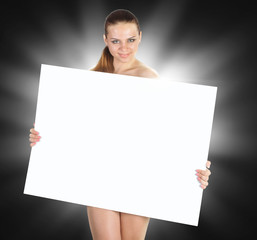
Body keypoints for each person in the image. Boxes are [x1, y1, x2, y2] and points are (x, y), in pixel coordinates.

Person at [29, 9, 211, 240]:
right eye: (116, 41)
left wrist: (195, 165)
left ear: (140, 37)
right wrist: (41, 138)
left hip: (139, 177)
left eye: (131, 40)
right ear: (105, 40)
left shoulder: (150, 79)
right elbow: (73, 133)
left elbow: (169, 136)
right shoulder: (88, 81)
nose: (124, 48)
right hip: (98, 175)